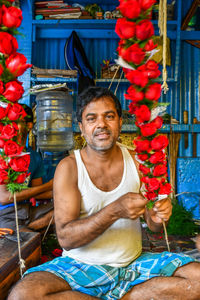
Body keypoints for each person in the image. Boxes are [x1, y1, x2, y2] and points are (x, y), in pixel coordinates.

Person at [8, 87, 200, 300]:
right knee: (23, 295)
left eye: (109, 116)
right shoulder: (70, 167)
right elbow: (65, 238)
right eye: (92, 118)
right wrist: (115, 210)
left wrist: (156, 217)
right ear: (81, 128)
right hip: (79, 267)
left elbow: (154, 226)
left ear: (119, 122)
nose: (101, 124)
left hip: (132, 265)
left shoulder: (138, 161)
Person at [0, 104, 53, 231]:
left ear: (29, 125)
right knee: (28, 244)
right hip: (5, 215)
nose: (11, 126)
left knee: (71, 207)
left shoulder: (34, 157)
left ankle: (27, 229)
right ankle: (25, 231)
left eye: (16, 121)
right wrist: (49, 185)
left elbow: (38, 193)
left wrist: (65, 191)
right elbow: (4, 198)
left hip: (27, 211)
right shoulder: (3, 155)